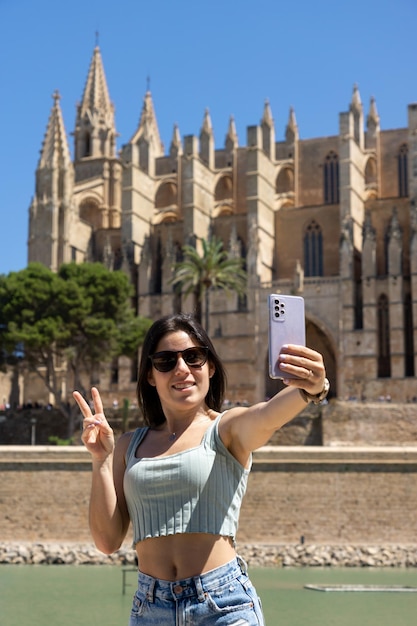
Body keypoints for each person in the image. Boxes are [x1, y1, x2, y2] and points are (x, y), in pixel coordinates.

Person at [73, 312, 328, 625]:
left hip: (224, 605)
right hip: (150, 610)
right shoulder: (128, 446)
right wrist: (100, 459)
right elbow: (107, 542)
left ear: (210, 366)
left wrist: (312, 388)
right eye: (166, 361)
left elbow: (267, 415)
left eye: (193, 357)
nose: (182, 369)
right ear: (150, 375)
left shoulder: (227, 429)